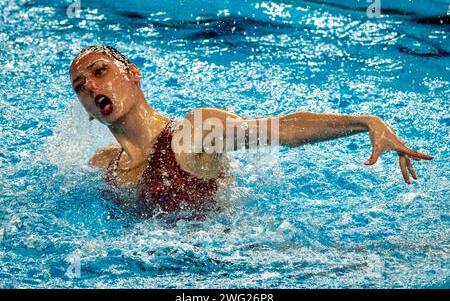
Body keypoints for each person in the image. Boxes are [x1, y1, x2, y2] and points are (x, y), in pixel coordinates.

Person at [69, 45, 433, 216]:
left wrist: (366, 122)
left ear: (133, 73)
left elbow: (282, 130)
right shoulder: (104, 166)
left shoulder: (194, 133)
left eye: (100, 71)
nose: (92, 87)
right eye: (80, 87)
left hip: (229, 267)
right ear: (87, 111)